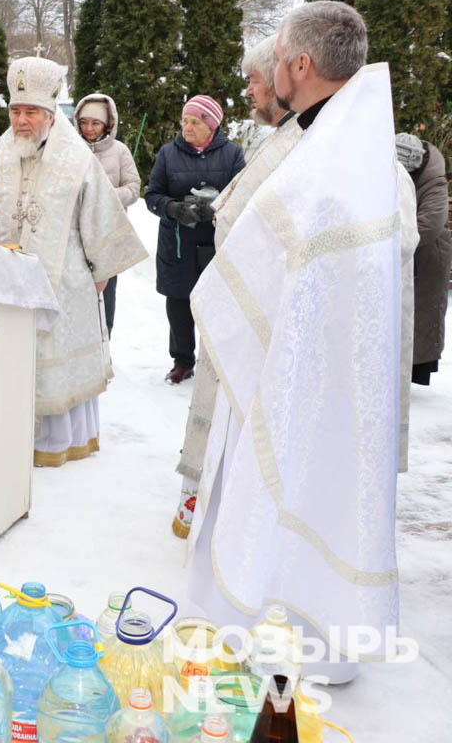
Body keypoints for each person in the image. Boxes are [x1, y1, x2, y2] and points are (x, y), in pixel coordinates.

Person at [184, 1, 418, 685]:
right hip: (308, 358)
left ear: (301, 65)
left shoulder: (335, 160)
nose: (268, 74)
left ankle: (279, 630)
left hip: (297, 365)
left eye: (277, 57)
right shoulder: (339, 139)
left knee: (291, 481)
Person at [171, 32, 307, 538]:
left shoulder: (306, 143)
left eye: (254, 80)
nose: (248, 92)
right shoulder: (287, 139)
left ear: (287, 74)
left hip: (265, 320)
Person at [0, 57, 147, 467]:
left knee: (55, 361)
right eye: (16, 111)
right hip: (7, 282)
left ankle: (58, 443)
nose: (21, 121)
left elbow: (100, 215)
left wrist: (101, 270)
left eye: (31, 112)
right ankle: (8, 433)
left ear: (51, 115)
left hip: (64, 278)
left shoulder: (77, 159)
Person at [145, 95, 245, 384]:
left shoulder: (232, 154)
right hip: (177, 241)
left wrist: (214, 208)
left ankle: (217, 360)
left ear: (210, 125)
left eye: (194, 122)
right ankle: (183, 361)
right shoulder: (168, 154)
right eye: (184, 121)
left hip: (214, 242)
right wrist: (173, 208)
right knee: (178, 301)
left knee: (218, 301)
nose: (186, 127)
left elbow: (242, 193)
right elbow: (153, 194)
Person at [73, 93, 140, 336]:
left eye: (95, 123)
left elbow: (133, 189)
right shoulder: (70, 148)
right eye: (84, 122)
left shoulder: (120, 151)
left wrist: (106, 196)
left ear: (107, 124)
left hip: (107, 232)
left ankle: (104, 341)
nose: (89, 129)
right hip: (75, 233)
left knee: (106, 293)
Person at [396, 133, 451, 386]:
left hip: (427, 254)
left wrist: (391, 242)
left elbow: (430, 223)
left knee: (420, 315)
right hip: (400, 250)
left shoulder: (433, 180)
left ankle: (409, 376)